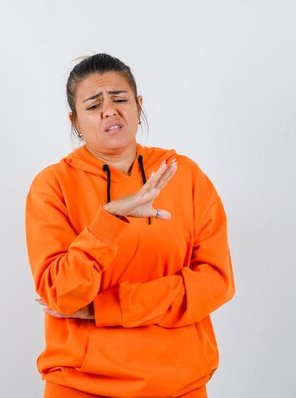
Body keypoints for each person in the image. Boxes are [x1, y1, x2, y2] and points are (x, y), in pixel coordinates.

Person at [25, 53, 235, 398]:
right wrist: (109, 219)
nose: (109, 110)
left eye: (119, 98)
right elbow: (62, 295)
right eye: (93, 105)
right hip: (80, 385)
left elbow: (216, 282)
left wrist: (106, 308)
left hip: (180, 385)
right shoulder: (53, 185)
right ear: (75, 121)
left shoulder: (183, 175)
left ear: (138, 106)